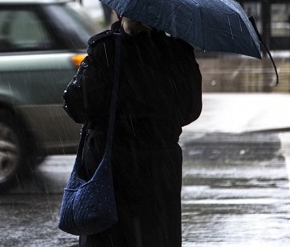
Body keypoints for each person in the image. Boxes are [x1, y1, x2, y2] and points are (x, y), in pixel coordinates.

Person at [62, 15, 202, 247]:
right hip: (160, 166)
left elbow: (76, 106)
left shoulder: (106, 50)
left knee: (108, 237)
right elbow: (191, 110)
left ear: (120, 12)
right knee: (156, 236)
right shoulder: (179, 53)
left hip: (110, 166)